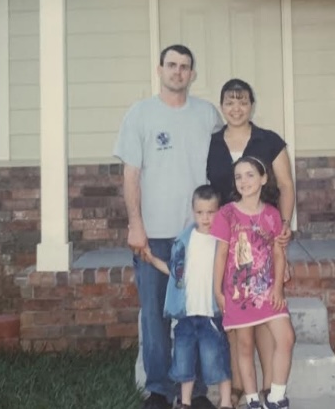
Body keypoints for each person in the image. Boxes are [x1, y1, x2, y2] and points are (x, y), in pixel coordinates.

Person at [113, 44, 223, 409]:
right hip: (154, 235)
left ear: (192, 74)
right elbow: (131, 174)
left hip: (200, 235)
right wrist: (135, 225)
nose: (178, 72)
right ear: (159, 70)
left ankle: (201, 391)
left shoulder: (208, 115)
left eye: (185, 67)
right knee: (156, 316)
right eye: (172, 65)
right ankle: (159, 389)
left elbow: (224, 168)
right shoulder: (140, 115)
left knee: (202, 314)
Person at [206, 79, 295, 406]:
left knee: (267, 322)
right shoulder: (212, 142)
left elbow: (286, 185)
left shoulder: (268, 140)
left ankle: (274, 390)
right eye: (229, 102)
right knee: (239, 329)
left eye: (242, 101)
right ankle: (245, 390)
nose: (236, 108)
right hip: (227, 236)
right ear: (222, 106)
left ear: (251, 105)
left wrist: (284, 227)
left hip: (265, 236)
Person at [148, 185, 233, 409]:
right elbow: (173, 270)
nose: (205, 218)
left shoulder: (222, 241)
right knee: (184, 363)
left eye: (210, 212)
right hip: (186, 316)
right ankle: (184, 402)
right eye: (200, 212)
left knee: (218, 359)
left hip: (210, 315)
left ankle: (225, 402)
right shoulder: (185, 241)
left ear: (219, 211)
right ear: (193, 211)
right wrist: (150, 258)